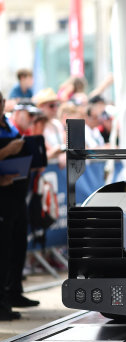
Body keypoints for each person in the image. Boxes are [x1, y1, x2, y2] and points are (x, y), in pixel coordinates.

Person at [0, 91, 40, 320]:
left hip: (16, 192)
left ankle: (12, 292)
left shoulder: (8, 125)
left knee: (16, 245)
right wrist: (8, 151)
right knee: (3, 250)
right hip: (2, 196)